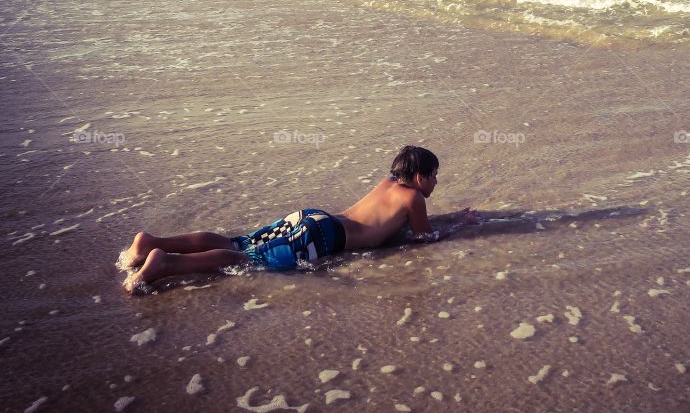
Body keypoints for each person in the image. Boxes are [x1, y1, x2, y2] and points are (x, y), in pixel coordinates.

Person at [119, 145, 474, 293]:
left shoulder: (386, 184)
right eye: (434, 175)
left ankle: (152, 242)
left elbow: (382, 222)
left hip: (312, 217)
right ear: (419, 177)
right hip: (323, 236)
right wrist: (460, 224)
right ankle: (164, 263)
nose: (436, 182)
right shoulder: (413, 197)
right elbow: (424, 237)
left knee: (239, 242)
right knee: (247, 260)